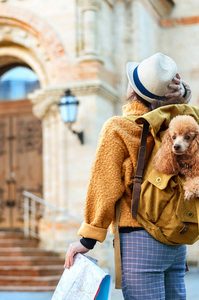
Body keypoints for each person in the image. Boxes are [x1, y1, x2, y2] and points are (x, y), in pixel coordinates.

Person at [64, 53, 192, 299]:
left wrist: (87, 239)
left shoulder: (119, 127)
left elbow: (104, 187)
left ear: (130, 91)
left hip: (139, 239)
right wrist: (184, 96)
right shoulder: (177, 127)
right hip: (176, 239)